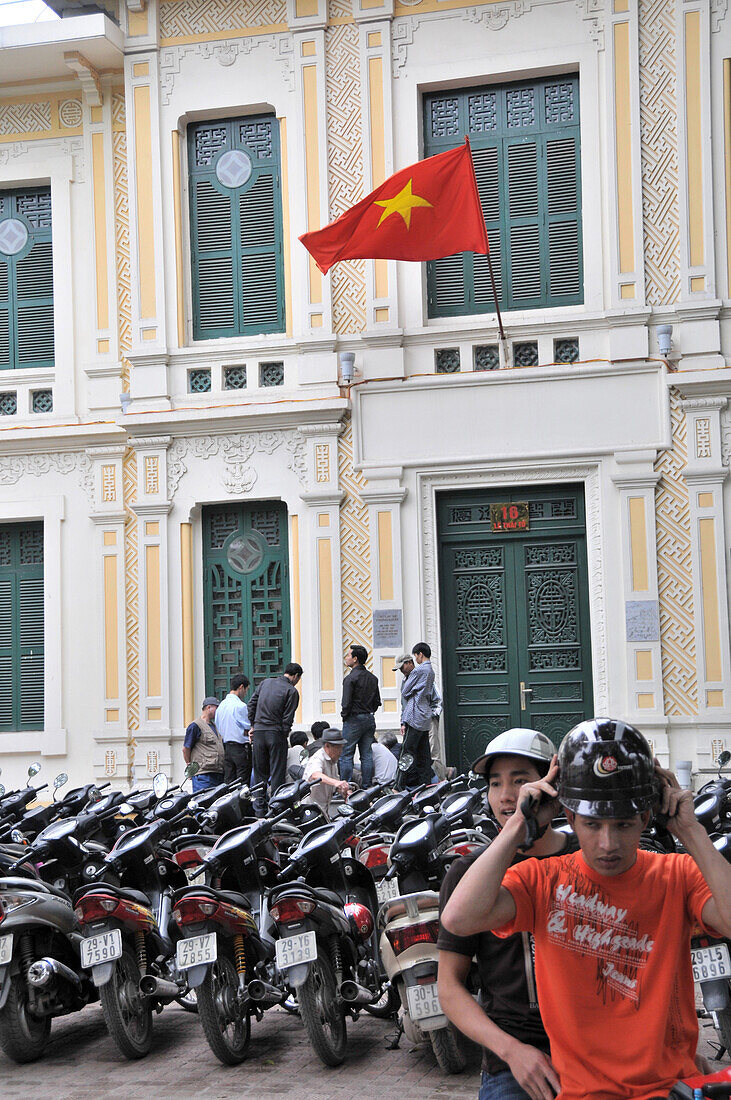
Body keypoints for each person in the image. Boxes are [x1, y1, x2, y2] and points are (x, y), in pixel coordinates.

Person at [441, 718, 731, 1100]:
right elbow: (459, 919)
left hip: (668, 1088)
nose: (608, 843)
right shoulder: (540, 880)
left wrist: (690, 831)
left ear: (645, 818)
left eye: (624, 824)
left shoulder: (675, 875)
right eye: (592, 825)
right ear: (572, 816)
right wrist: (517, 828)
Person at [438, 728, 575, 1100]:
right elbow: (449, 987)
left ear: (551, 785)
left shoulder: (585, 855)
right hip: (515, 1063)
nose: (507, 795)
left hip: (591, 1046)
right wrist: (511, 1051)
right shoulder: (470, 874)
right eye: (495, 783)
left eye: (520, 781)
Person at [248, 662, 303, 814]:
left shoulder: (265, 683)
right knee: (277, 773)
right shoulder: (291, 691)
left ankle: (259, 810)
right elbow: (288, 719)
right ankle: (276, 809)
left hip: (259, 733)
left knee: (260, 773)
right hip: (276, 733)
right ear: (296, 676)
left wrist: (253, 725)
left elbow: (251, 705)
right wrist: (282, 735)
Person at [340, 644, 381, 789]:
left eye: (348, 655)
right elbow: (377, 702)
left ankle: (345, 787)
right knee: (366, 754)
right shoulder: (373, 678)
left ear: (355, 659)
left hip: (353, 718)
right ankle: (367, 786)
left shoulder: (350, 679)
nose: (346, 658)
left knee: (346, 754)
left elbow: (346, 703)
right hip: (369, 718)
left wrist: (345, 716)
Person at [395, 645, 434, 788]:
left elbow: (405, 692)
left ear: (419, 655)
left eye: (416, 656)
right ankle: (426, 785)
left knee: (406, 752)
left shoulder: (418, 670)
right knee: (424, 754)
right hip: (424, 717)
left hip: (415, 716)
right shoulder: (431, 671)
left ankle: (397, 787)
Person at [303, 727, 351, 818]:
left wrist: (343, 790)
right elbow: (315, 775)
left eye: (341, 748)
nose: (340, 752)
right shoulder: (318, 758)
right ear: (327, 746)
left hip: (323, 810)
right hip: (310, 810)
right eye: (338, 748)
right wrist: (336, 782)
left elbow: (335, 785)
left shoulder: (332, 761)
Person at [215, 673, 251, 783]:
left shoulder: (221, 706)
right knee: (242, 783)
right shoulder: (240, 706)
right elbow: (248, 725)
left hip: (226, 748)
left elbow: (218, 726)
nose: (245, 693)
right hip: (240, 748)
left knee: (229, 781)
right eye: (246, 690)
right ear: (241, 687)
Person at [183, 696, 224, 792]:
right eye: (216, 708)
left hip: (217, 772)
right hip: (203, 775)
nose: (218, 711)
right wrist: (190, 766)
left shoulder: (215, 726)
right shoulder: (195, 726)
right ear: (209, 707)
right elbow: (186, 748)